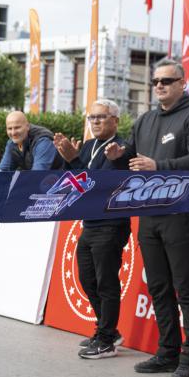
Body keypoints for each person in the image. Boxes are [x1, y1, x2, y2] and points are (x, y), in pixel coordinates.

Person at [105, 58, 189, 377]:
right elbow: (133, 155)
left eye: (167, 81)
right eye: (155, 82)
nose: (159, 86)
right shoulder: (146, 119)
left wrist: (159, 165)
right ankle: (168, 352)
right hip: (148, 213)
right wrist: (118, 154)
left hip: (180, 215)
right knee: (159, 287)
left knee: (186, 288)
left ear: (182, 84)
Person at [54, 98, 132, 359]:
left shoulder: (122, 148)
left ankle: (107, 338)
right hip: (89, 223)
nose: (96, 122)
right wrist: (69, 160)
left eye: (101, 117)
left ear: (115, 121)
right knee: (86, 279)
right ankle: (107, 330)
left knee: (106, 282)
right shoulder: (88, 147)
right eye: (92, 118)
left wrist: (79, 161)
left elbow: (102, 185)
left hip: (112, 224)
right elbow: (76, 182)